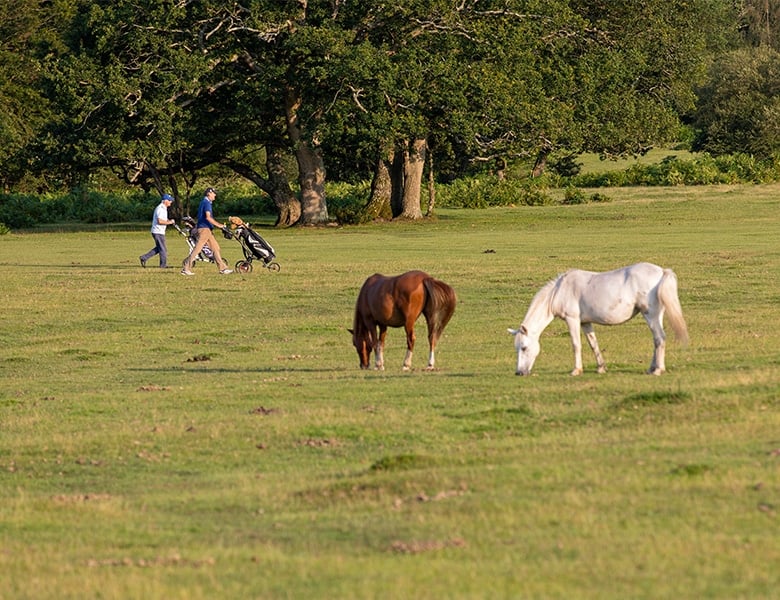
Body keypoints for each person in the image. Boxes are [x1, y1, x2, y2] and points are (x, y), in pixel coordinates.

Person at [181, 187, 232, 276]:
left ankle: (222, 268)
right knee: (198, 249)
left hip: (207, 229)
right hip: (204, 229)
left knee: (216, 248)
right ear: (209, 193)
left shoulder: (204, 202)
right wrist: (220, 226)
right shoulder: (206, 203)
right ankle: (186, 268)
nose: (215, 195)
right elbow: (208, 217)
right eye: (214, 193)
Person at [139, 193, 175, 268]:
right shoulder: (161, 208)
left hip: (159, 231)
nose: (171, 202)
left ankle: (144, 257)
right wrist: (170, 222)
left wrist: (169, 220)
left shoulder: (164, 208)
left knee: (159, 248)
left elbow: (163, 219)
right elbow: (160, 221)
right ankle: (163, 266)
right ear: (165, 201)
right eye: (169, 200)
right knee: (163, 249)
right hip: (158, 231)